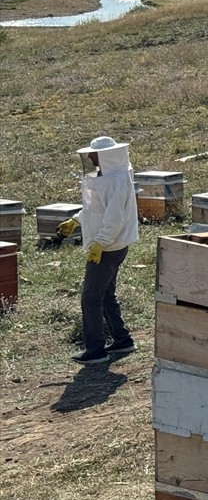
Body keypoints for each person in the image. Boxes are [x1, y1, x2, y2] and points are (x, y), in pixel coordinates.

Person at [57, 136, 140, 365]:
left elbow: (114, 218)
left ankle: (95, 350)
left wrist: (100, 244)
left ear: (107, 156)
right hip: (111, 246)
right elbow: (96, 208)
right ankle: (122, 340)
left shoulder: (116, 180)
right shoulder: (110, 176)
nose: (91, 158)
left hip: (108, 248)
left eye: (95, 155)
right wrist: (76, 220)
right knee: (106, 294)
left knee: (91, 298)